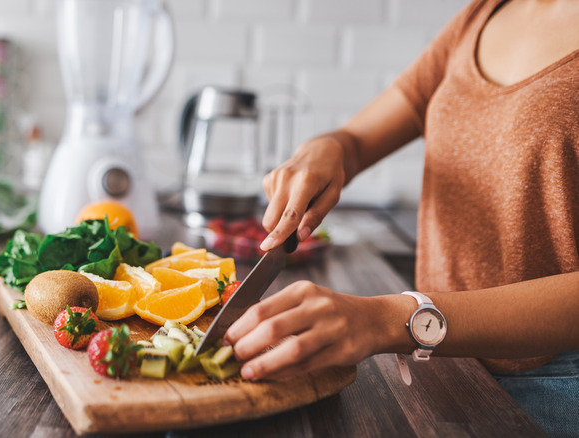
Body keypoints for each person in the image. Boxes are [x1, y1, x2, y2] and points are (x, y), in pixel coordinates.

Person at [224, 0, 579, 436]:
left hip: (552, 387)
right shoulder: (485, 14)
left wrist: (389, 319)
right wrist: (329, 148)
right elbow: (355, 140)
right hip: (442, 365)